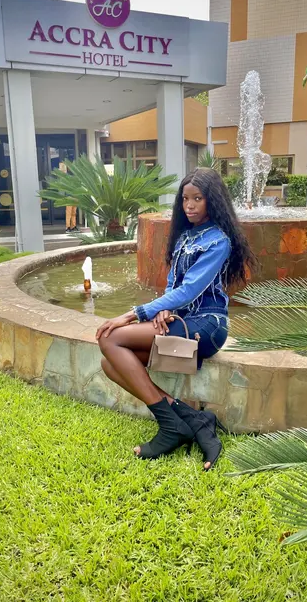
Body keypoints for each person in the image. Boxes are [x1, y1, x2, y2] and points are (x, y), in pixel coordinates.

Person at [96, 168, 255, 471]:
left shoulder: (218, 241)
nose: (189, 205)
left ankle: (171, 426)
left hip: (207, 325)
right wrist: (163, 310)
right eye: (185, 199)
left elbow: (191, 290)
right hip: (182, 321)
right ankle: (193, 419)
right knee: (109, 364)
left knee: (111, 338)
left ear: (213, 201)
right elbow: (173, 286)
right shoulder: (184, 236)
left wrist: (133, 313)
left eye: (198, 198)